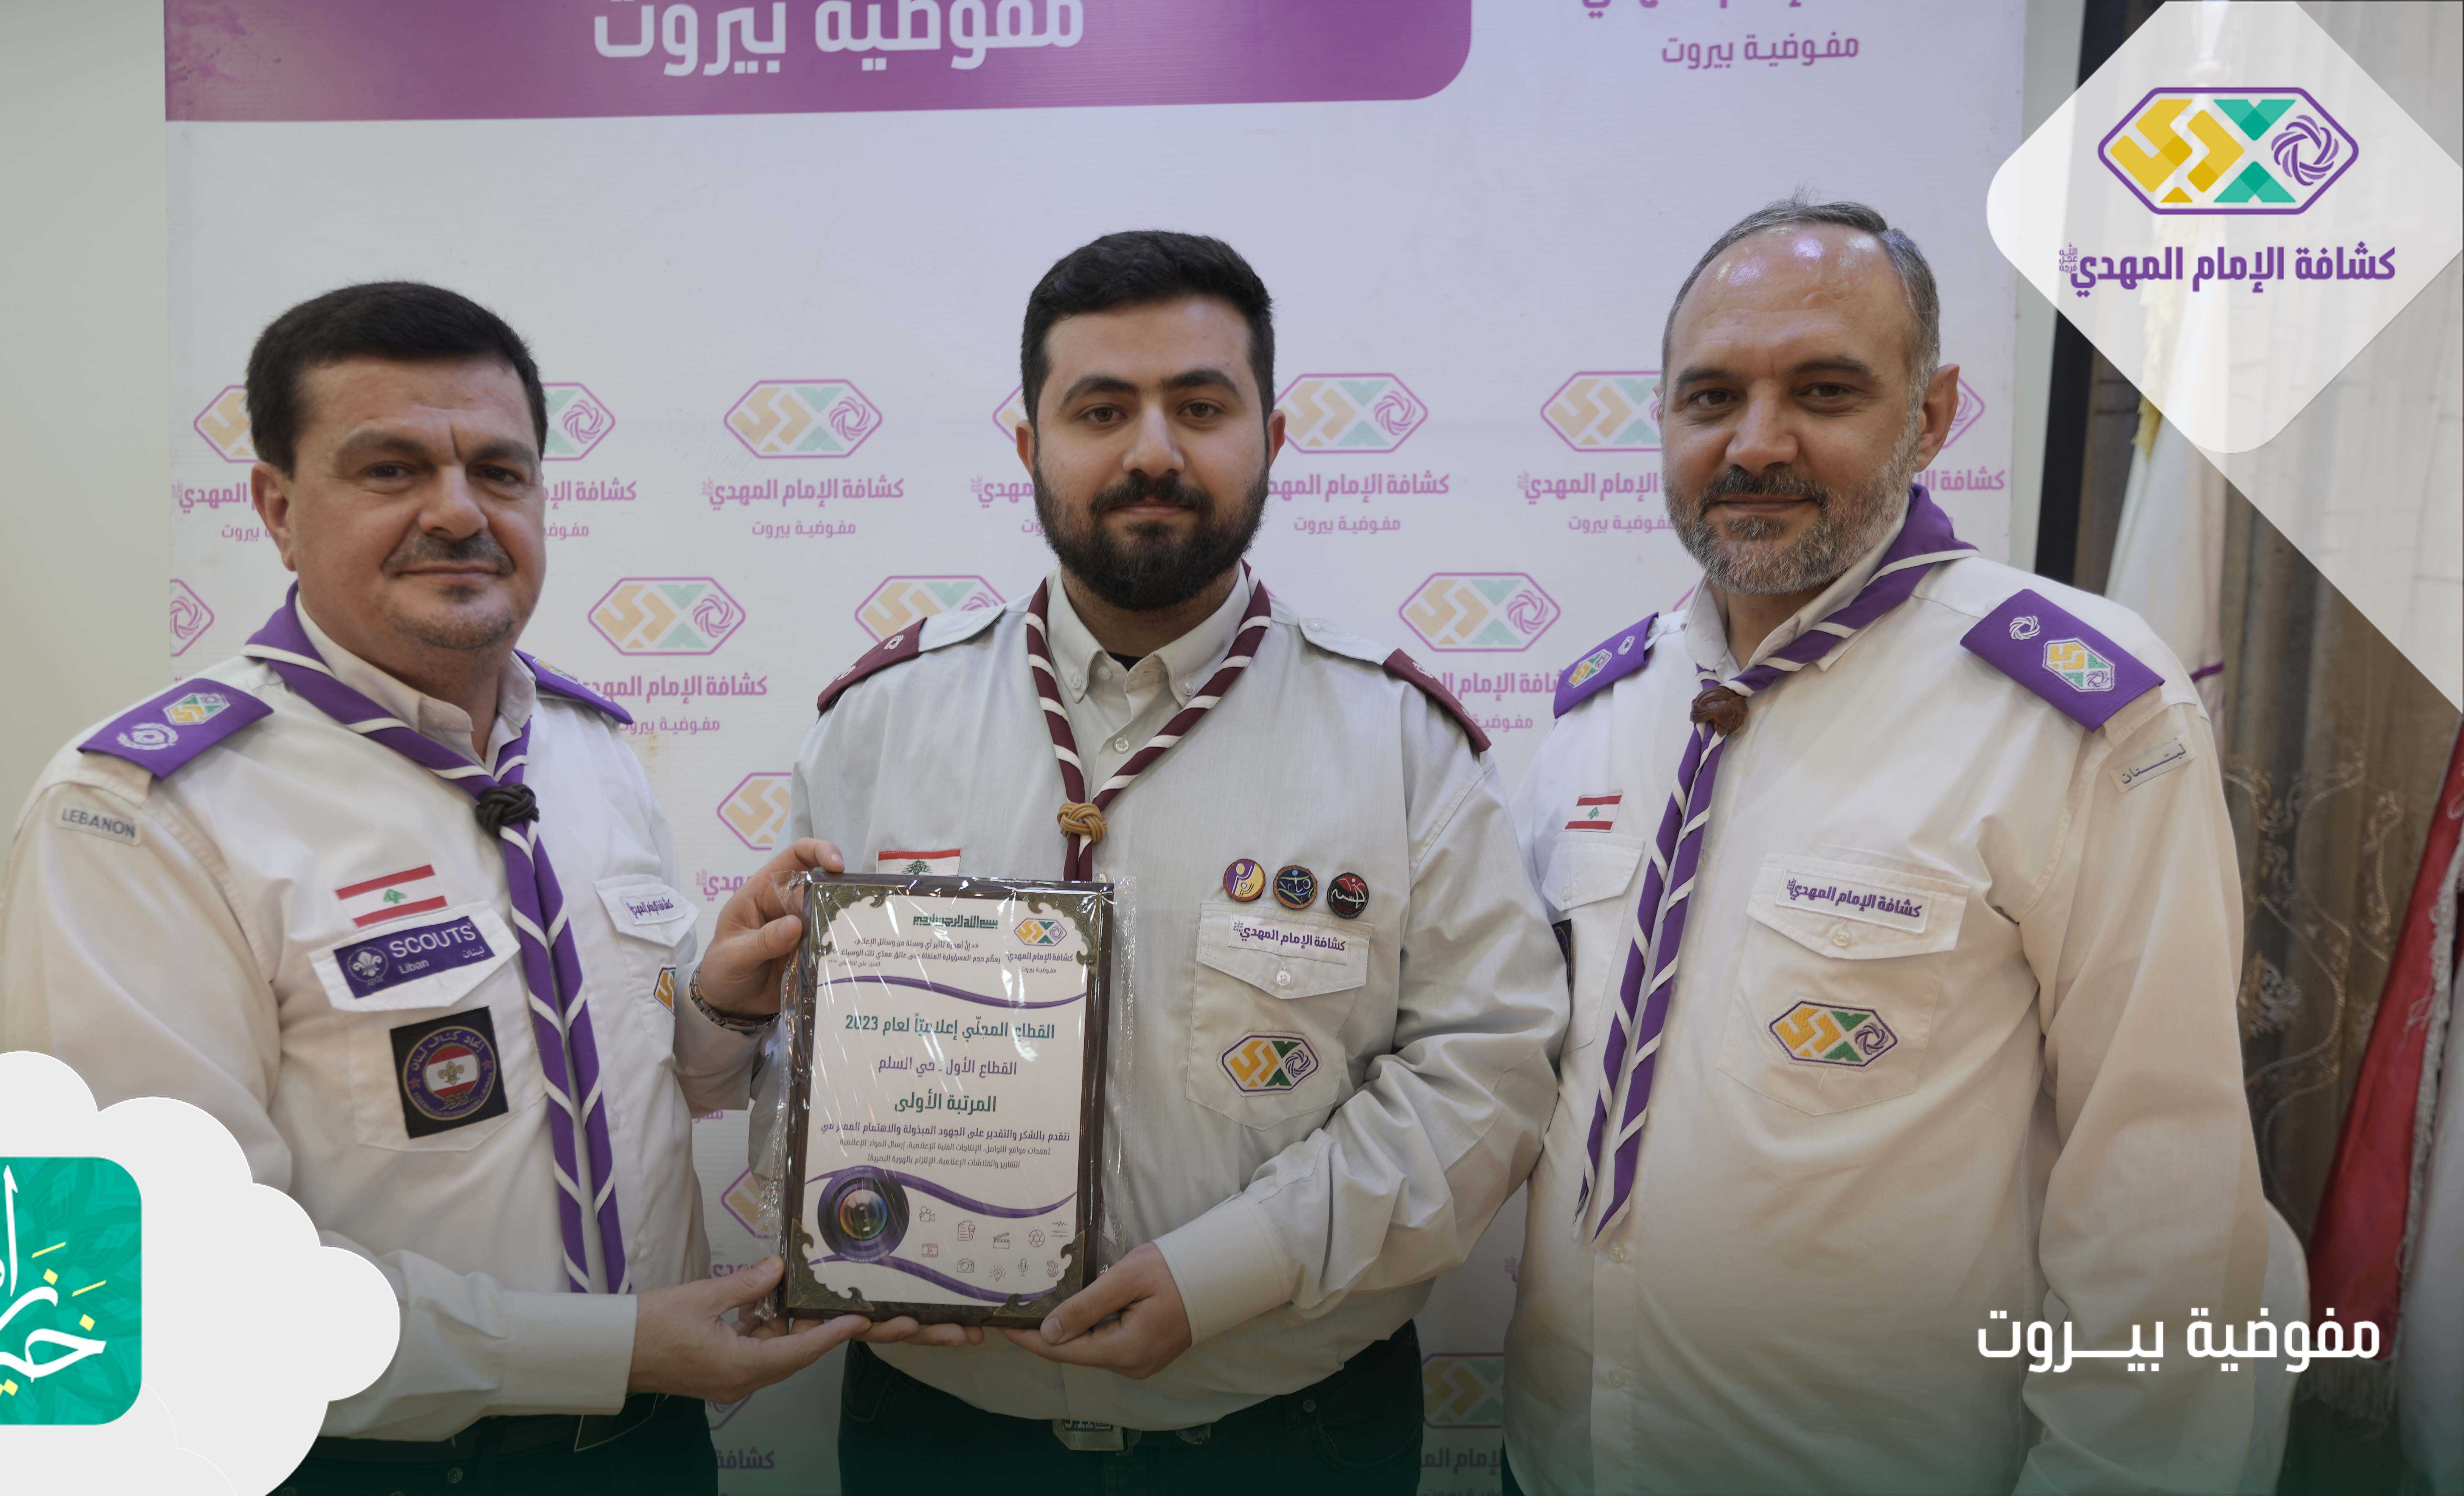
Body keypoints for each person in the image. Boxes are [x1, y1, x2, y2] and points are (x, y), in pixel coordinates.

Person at [1, 282, 938, 1494]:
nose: (458, 512)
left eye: (499, 472)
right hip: (364, 1465)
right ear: (278, 508)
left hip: (653, 1451)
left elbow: (637, 1073)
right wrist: (610, 1347)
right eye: (391, 469)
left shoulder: (591, 750)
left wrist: (719, 1000)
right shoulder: (146, 811)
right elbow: (174, 1268)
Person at [685, 230, 1567, 1492]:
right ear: (1029, 444)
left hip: (1287, 1431)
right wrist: (842, 1194)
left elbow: (1486, 1070)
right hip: (940, 1429)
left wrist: (1232, 1269)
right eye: (1101, 410)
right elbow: (792, 1069)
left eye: (1201, 407)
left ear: (1273, 435)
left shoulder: (1400, 742)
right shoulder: (880, 724)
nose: (1153, 451)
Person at [1501, 198, 2266, 1494]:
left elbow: (2164, 1191)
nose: (1757, 443)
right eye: (1710, 398)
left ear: (1932, 413)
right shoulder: (1599, 711)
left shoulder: (2082, 711)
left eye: (1824, 390)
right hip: (1564, 1457)